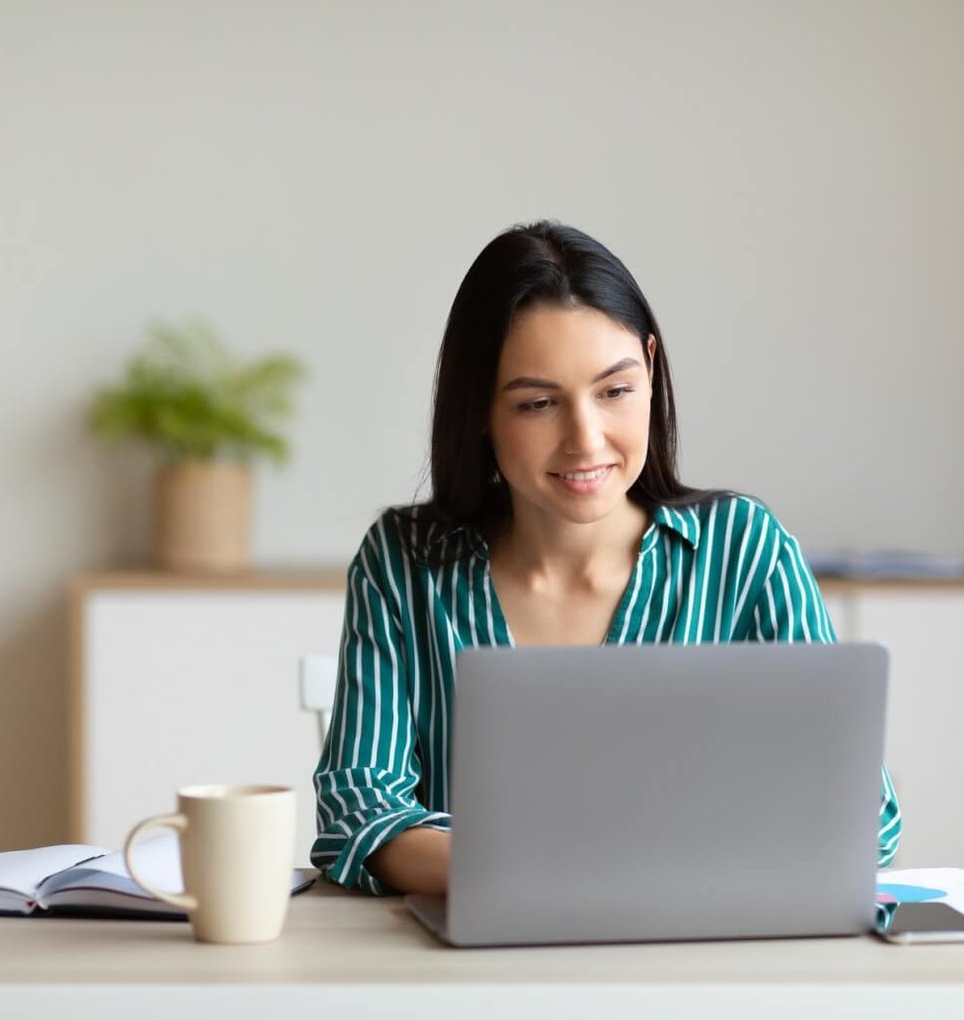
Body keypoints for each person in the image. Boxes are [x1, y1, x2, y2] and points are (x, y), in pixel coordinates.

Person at [311, 221, 901, 895]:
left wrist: (616, 879)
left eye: (615, 391)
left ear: (650, 369)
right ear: (479, 409)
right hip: (477, 973)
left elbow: (862, 812)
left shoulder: (745, 550)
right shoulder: (404, 563)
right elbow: (359, 809)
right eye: (537, 403)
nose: (585, 440)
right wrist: (525, 879)